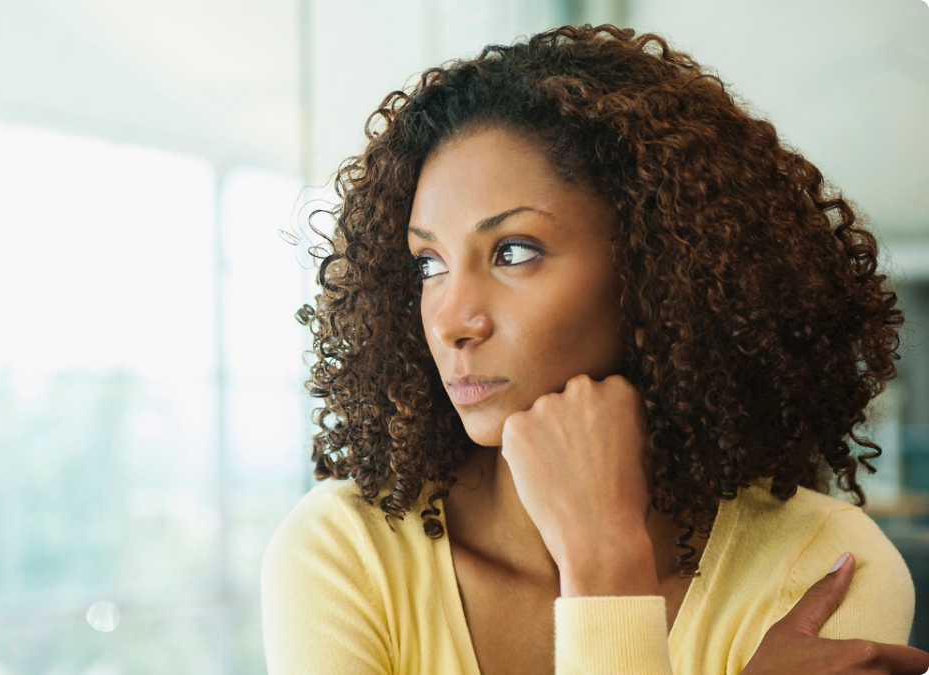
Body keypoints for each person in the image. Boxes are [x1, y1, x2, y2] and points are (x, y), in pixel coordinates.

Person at [261, 24, 928, 675]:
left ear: (656, 267)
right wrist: (610, 574)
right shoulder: (347, 552)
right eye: (427, 263)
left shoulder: (821, 568)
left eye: (513, 251)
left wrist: (605, 567)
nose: (451, 320)